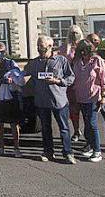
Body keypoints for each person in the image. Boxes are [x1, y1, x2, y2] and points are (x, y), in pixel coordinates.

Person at [22, 35, 76, 164]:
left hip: (59, 100)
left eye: (41, 45)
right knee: (46, 128)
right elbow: (23, 73)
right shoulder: (34, 62)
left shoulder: (61, 60)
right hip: (42, 101)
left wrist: (58, 81)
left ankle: (67, 152)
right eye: (38, 45)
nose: (39, 48)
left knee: (64, 128)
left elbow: (71, 77)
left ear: (50, 46)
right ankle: (48, 151)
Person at [71, 40, 105, 163]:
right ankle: (91, 146)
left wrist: (103, 96)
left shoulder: (97, 60)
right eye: (81, 50)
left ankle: (97, 151)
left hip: (93, 96)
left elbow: (104, 79)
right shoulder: (77, 62)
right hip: (81, 97)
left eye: (86, 50)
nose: (84, 52)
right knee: (87, 123)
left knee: (92, 124)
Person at [0, 42, 24, 158]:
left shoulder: (11, 63)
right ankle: (1, 147)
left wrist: (12, 80)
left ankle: (16, 148)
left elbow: (19, 77)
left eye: (1, 52)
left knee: (14, 123)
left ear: (5, 52)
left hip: (11, 96)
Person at [57, 25, 84, 142]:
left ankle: (89, 135)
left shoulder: (84, 46)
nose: (74, 35)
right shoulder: (65, 48)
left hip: (83, 82)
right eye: (72, 33)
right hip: (70, 83)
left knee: (86, 110)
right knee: (73, 109)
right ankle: (76, 130)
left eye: (76, 32)